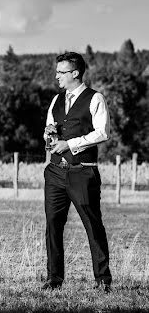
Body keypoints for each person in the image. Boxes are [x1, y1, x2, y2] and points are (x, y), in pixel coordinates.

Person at [41, 52, 112, 292]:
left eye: (61, 72)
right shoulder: (56, 100)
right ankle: (54, 279)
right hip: (55, 172)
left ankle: (102, 281)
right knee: (53, 224)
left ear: (75, 73)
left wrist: (70, 144)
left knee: (93, 226)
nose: (57, 76)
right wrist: (49, 135)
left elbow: (102, 132)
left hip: (82, 172)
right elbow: (48, 129)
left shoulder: (95, 98)